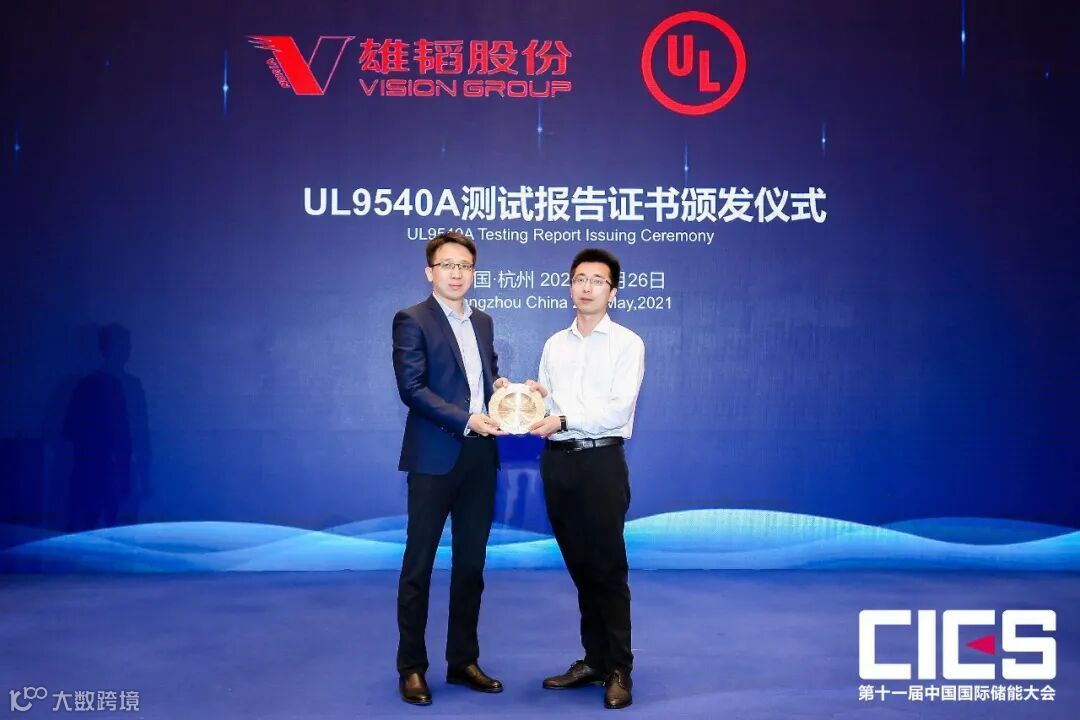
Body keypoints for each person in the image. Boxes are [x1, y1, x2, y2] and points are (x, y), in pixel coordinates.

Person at [391, 231, 509, 706]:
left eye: (465, 265)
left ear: (473, 272)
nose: (457, 273)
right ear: (430, 272)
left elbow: (482, 378)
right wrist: (466, 419)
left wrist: (501, 390)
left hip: (481, 456)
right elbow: (412, 388)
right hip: (434, 457)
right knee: (418, 565)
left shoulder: (483, 321)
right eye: (447, 265)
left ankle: (463, 661)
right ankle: (411, 667)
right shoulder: (412, 319)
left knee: (471, 565)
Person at [527, 248, 645, 710]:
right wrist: (526, 398)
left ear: (612, 291)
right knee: (580, 567)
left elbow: (618, 409)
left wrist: (563, 418)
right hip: (558, 463)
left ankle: (619, 668)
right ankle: (594, 660)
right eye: (580, 278)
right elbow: (547, 403)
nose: (587, 287)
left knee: (608, 569)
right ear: (570, 286)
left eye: (598, 280)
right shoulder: (554, 344)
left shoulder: (627, 343)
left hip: (600, 463)